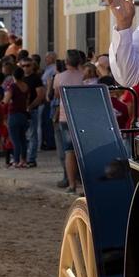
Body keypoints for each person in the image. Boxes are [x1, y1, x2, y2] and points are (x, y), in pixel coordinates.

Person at [53, 50, 87, 192]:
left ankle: (72, 184)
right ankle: (84, 184)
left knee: (69, 151)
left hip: (65, 116)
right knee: (83, 151)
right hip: (81, 116)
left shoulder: (59, 77)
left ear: (66, 62)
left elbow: (56, 95)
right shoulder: (83, 76)